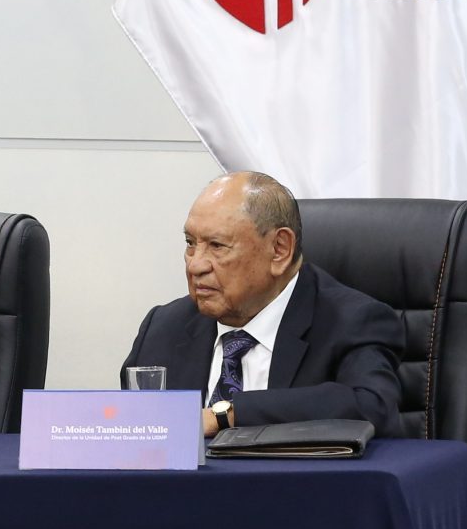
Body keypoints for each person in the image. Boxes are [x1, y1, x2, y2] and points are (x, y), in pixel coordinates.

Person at [121, 170, 405, 439]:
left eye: (217, 246)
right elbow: (131, 432)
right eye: (190, 243)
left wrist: (227, 415)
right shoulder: (163, 328)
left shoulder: (352, 321)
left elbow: (371, 406)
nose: (195, 265)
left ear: (279, 249)